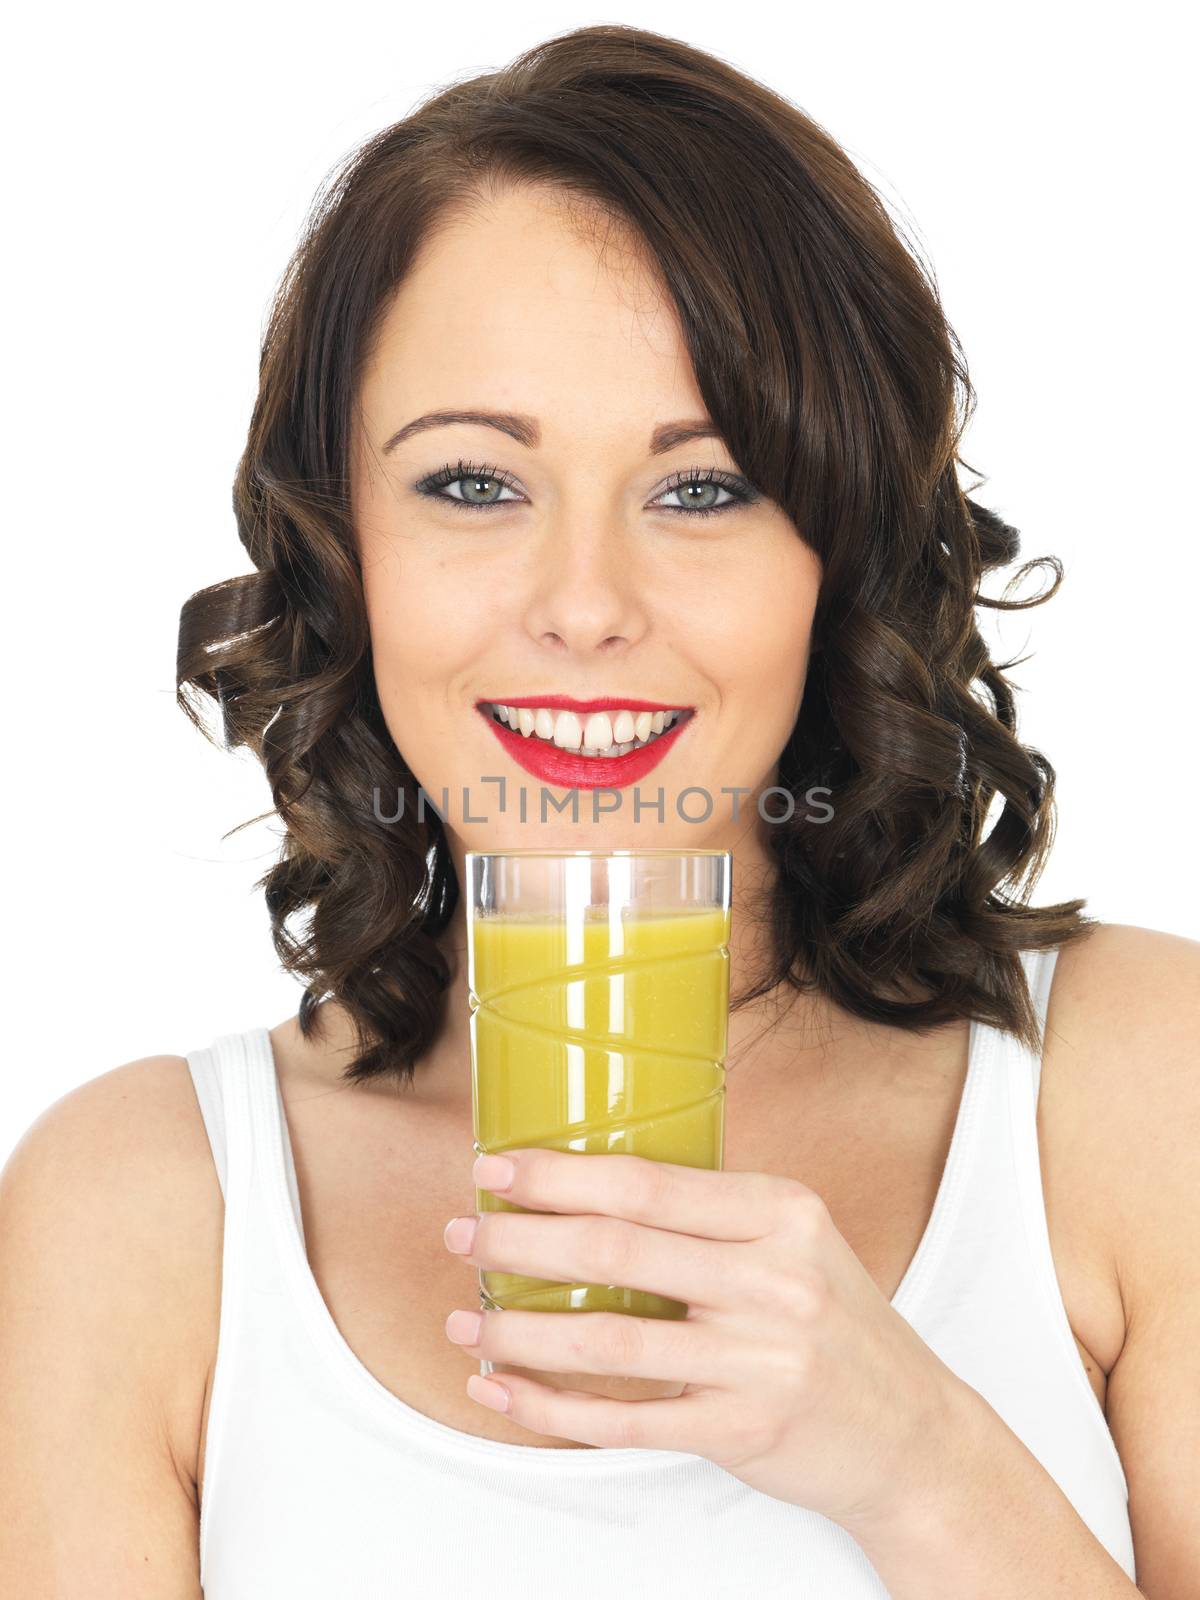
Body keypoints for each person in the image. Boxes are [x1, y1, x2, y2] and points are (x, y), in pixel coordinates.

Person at [1, 23, 1195, 1599]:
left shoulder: (1128, 1090)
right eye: (474, 484)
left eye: (703, 488)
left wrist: (916, 1458)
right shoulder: (141, 1209)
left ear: (837, 546)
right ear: (342, 543)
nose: (584, 606)